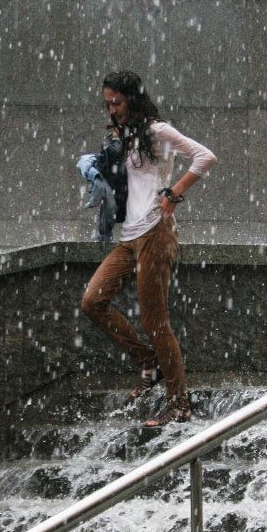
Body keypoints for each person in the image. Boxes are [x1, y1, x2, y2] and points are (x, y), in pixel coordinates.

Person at [80, 70, 217, 427]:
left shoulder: (158, 132)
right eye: (108, 103)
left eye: (118, 102)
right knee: (93, 301)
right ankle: (149, 363)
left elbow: (205, 157)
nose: (112, 109)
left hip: (156, 232)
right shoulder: (123, 135)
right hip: (129, 236)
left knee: (156, 321)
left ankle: (179, 402)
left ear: (133, 100)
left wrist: (174, 192)